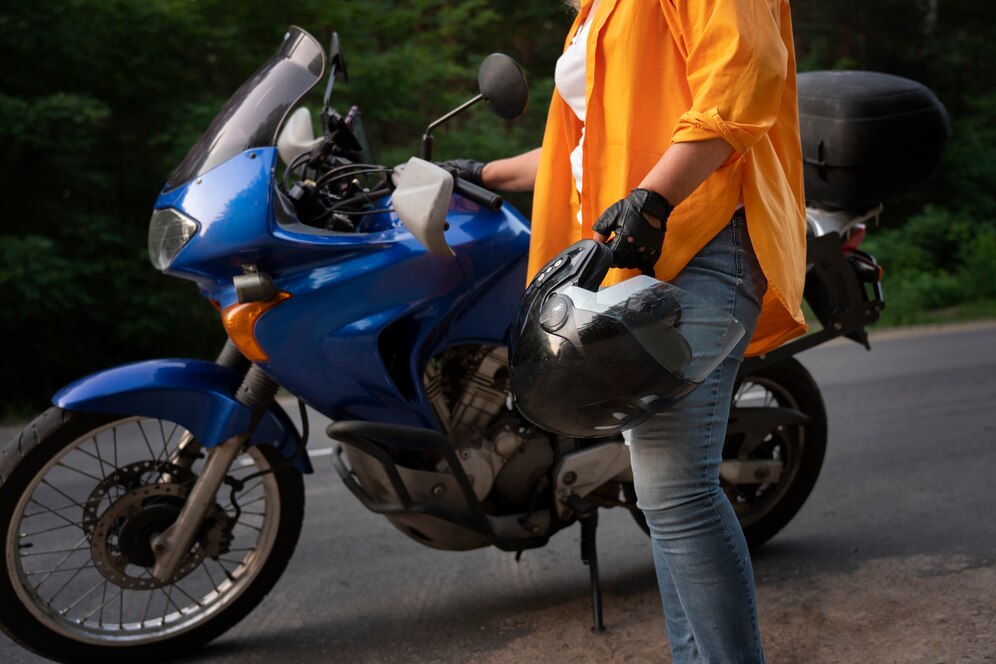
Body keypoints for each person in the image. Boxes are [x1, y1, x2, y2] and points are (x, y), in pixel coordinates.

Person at [446, 0, 806, 661]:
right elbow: (586, 144)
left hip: (701, 233)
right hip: (644, 248)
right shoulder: (597, 9)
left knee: (676, 494)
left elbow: (744, 72)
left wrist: (656, 196)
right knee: (666, 493)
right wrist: (479, 173)